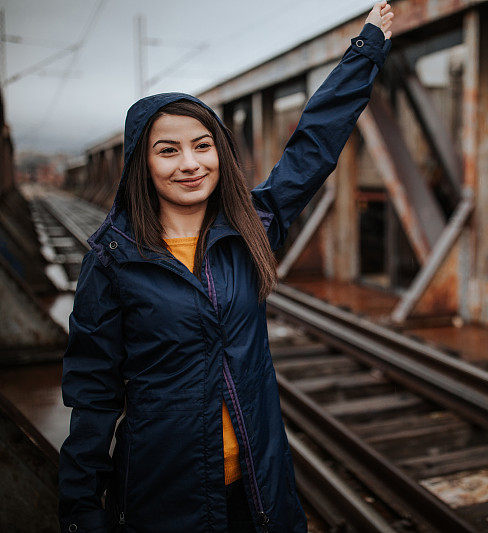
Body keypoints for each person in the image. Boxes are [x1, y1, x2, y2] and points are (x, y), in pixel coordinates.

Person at [57, 2, 393, 532]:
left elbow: (314, 145)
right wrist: (79, 508)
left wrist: (364, 51)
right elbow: (92, 392)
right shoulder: (113, 258)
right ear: (141, 164)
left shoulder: (249, 228)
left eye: (202, 146)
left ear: (220, 153)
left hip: (259, 481)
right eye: (168, 151)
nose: (190, 164)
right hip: (166, 494)